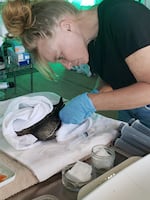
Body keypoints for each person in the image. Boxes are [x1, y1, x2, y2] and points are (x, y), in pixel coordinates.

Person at [2, 0, 150, 128]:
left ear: (67, 26)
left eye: (60, 56)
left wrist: (91, 102)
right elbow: (112, 72)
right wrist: (97, 91)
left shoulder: (125, 16)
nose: (67, 66)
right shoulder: (88, 41)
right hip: (130, 108)